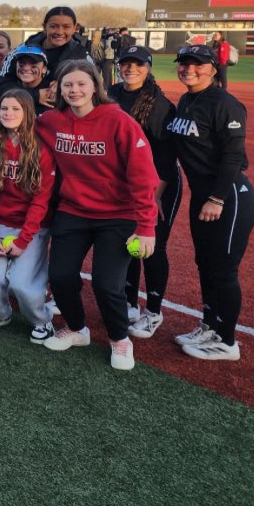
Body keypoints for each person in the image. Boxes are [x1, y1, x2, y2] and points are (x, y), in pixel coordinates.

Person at [37, 60, 159, 371]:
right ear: (59, 89)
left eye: (81, 84)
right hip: (72, 211)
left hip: (117, 215)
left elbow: (144, 177)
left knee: (107, 284)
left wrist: (146, 226)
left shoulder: (119, 121)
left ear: (95, 86)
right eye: (68, 85)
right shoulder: (50, 121)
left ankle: (120, 338)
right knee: (60, 276)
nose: (74, 90)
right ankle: (77, 329)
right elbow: (17, 127)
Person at [168, 44, 254, 360]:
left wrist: (217, 198)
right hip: (203, 195)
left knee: (222, 270)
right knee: (204, 264)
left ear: (212, 68)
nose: (188, 69)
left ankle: (227, 341)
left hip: (229, 196)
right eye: (184, 63)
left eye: (197, 64)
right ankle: (210, 324)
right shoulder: (187, 100)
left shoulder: (225, 104)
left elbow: (233, 156)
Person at [107, 45, 180, 339]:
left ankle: (153, 311)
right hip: (122, 184)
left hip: (156, 185)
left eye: (138, 64)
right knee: (127, 243)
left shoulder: (159, 104)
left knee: (152, 247)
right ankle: (128, 302)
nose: (130, 69)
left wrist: (154, 197)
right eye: (126, 63)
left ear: (148, 68)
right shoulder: (110, 94)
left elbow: (165, 158)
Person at [0, 89, 57, 343]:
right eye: (4, 109)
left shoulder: (40, 150)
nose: (8, 113)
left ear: (28, 113)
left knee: (22, 285)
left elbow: (41, 200)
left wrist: (23, 240)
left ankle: (42, 321)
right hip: (0, 224)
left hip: (32, 228)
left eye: (16, 109)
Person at [21, 6, 89, 85]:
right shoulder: (24, 48)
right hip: (26, 96)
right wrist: (36, 94)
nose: (60, 32)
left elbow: (93, 84)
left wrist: (65, 84)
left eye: (66, 27)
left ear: (74, 28)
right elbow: (6, 80)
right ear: (44, 27)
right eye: (53, 26)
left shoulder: (81, 55)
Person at [0, 45, 51, 114]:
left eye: (33, 63)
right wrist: (35, 96)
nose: (26, 68)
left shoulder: (51, 91)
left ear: (44, 69)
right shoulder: (8, 86)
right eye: (22, 63)